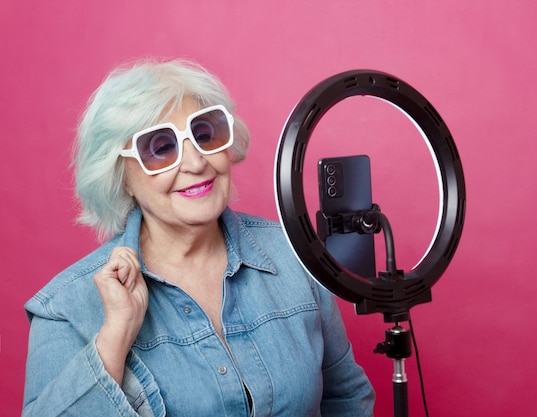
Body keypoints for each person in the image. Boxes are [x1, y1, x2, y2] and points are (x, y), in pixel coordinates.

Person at [22, 58, 375, 417]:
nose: (195, 162)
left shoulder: (295, 257)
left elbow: (347, 397)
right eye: (160, 148)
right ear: (121, 175)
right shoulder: (65, 309)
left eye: (205, 134)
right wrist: (115, 338)